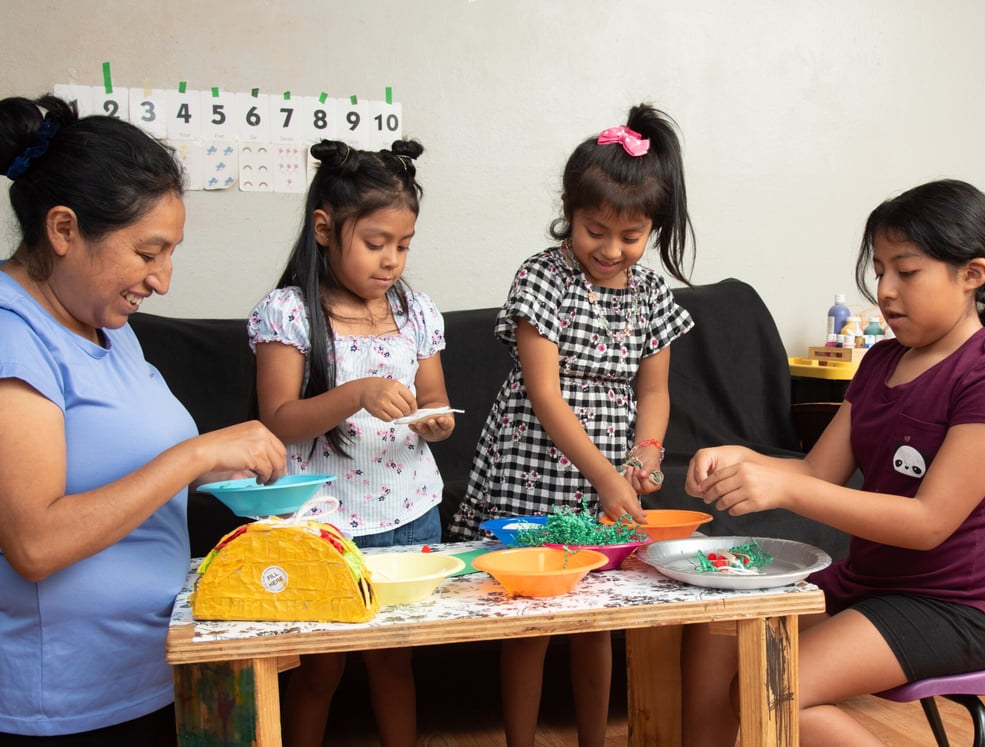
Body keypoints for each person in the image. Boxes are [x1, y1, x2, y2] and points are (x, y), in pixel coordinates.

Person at [681, 178, 985, 746]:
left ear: (972, 274)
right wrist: (742, 455)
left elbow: (928, 523)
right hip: (868, 582)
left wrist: (786, 493)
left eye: (907, 271)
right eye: (879, 270)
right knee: (717, 627)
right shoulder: (881, 361)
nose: (886, 290)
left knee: (773, 688)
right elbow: (816, 472)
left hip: (953, 605)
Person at [0, 94, 288, 744]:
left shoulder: (105, 324)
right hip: (70, 701)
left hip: (153, 670)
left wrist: (222, 472)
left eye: (171, 253)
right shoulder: (13, 334)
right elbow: (34, 543)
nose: (162, 279)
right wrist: (193, 456)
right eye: (148, 252)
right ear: (65, 229)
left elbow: (126, 470)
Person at [447, 104, 696, 747]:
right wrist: (607, 476)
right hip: (536, 466)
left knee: (597, 618)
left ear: (652, 231)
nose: (611, 250)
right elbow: (545, 394)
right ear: (570, 209)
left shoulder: (652, 297)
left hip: (610, 471)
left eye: (631, 236)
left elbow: (655, 389)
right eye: (595, 230)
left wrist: (642, 456)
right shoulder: (541, 278)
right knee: (531, 620)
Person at [248, 138, 453, 747]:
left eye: (403, 245)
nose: (391, 260)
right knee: (321, 666)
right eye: (374, 243)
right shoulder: (289, 312)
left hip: (410, 512)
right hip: (322, 519)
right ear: (324, 228)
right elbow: (278, 421)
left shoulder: (415, 311)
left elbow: (435, 396)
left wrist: (437, 421)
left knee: (394, 660)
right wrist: (357, 392)